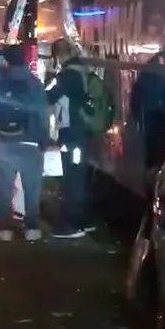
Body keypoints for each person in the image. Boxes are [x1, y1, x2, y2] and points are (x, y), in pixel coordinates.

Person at [0, 44, 50, 241]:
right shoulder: (35, 83)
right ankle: (32, 228)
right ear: (25, 59)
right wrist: (44, 139)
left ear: (5, 59)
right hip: (30, 141)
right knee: (32, 188)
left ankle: (4, 230)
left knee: (4, 187)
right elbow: (43, 114)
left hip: (3, 141)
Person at [45, 38, 92, 238]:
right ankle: (81, 219)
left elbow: (48, 95)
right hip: (77, 130)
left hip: (72, 131)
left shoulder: (68, 75)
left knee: (73, 176)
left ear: (58, 55)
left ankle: (74, 224)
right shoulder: (79, 70)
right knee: (76, 174)